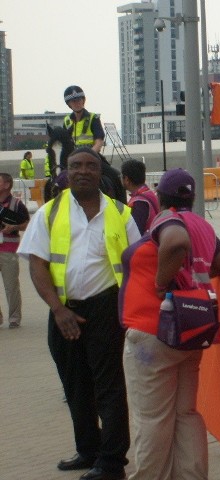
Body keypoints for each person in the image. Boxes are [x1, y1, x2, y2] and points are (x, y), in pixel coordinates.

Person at [17, 147, 141, 480]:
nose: (82, 170)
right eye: (75, 166)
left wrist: (130, 314)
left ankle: (112, 463)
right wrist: (57, 310)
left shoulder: (121, 213)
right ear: (67, 172)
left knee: (109, 388)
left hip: (105, 309)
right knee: (75, 386)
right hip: (63, 311)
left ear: (100, 172)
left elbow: (137, 266)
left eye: (90, 165)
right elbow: (36, 262)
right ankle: (88, 451)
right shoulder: (50, 213)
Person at [120, 168, 220, 480]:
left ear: (160, 197)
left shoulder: (167, 219)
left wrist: (163, 283)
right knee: (185, 413)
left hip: (154, 330)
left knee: (152, 417)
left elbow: (174, 243)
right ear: (193, 196)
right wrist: (193, 274)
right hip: (189, 329)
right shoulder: (201, 224)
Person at [0, 173, 30, 329]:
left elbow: (27, 224)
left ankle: (14, 318)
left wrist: (15, 227)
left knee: (11, 286)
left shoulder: (16, 204)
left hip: (8, 250)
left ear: (6, 185)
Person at [121, 159, 160, 234]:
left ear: (126, 179)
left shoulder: (138, 203)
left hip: (146, 243)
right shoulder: (149, 193)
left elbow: (136, 232)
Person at [63, 85, 105, 153]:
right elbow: (64, 143)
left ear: (83, 100)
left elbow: (99, 141)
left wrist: (89, 155)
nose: (77, 103)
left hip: (91, 155)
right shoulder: (66, 121)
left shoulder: (93, 118)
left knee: (105, 164)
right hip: (72, 157)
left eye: (79, 100)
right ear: (69, 104)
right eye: (74, 101)